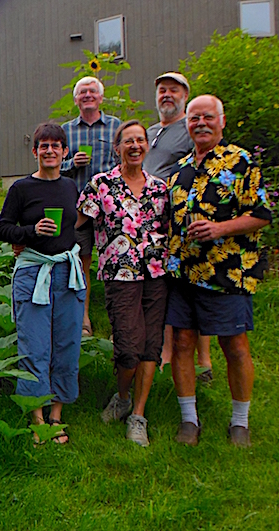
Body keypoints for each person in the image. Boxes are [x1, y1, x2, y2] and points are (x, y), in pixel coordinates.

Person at [166, 95, 272, 448]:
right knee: (182, 343)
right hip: (183, 273)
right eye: (194, 118)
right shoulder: (179, 170)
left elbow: (261, 214)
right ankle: (188, 419)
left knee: (235, 346)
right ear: (186, 124)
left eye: (207, 117)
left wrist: (220, 228)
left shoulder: (240, 162)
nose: (200, 123)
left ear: (221, 121)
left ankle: (240, 422)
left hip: (227, 272)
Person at [77, 121, 170, 447]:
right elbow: (76, 224)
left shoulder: (161, 188)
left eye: (140, 140)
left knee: (151, 346)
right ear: (117, 148)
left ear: (147, 146)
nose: (134, 146)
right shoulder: (100, 185)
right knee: (128, 348)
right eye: (127, 141)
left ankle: (138, 415)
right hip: (120, 275)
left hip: (157, 275)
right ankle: (122, 395)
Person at [0, 123, 85, 443]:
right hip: (33, 273)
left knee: (66, 345)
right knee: (34, 347)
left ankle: (57, 415)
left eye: (55, 146)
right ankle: (37, 416)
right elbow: (4, 229)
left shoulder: (69, 187)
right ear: (34, 152)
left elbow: (77, 226)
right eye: (43, 146)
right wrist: (31, 232)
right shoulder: (21, 188)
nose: (49, 151)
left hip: (67, 273)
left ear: (64, 152)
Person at [143, 73, 214, 382]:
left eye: (173, 90)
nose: (167, 95)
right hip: (153, 217)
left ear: (185, 95)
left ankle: (205, 359)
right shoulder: (151, 131)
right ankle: (167, 351)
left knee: (194, 282)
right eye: (162, 90)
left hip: (183, 215)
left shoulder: (188, 129)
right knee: (168, 282)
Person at [61, 77, 121, 337]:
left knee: (116, 264)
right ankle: (84, 320)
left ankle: (118, 320)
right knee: (82, 262)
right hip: (79, 210)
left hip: (110, 210)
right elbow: (55, 168)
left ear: (101, 98)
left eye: (92, 91)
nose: (87, 95)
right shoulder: (66, 131)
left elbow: (125, 165)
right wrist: (72, 163)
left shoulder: (116, 127)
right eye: (82, 92)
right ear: (75, 100)